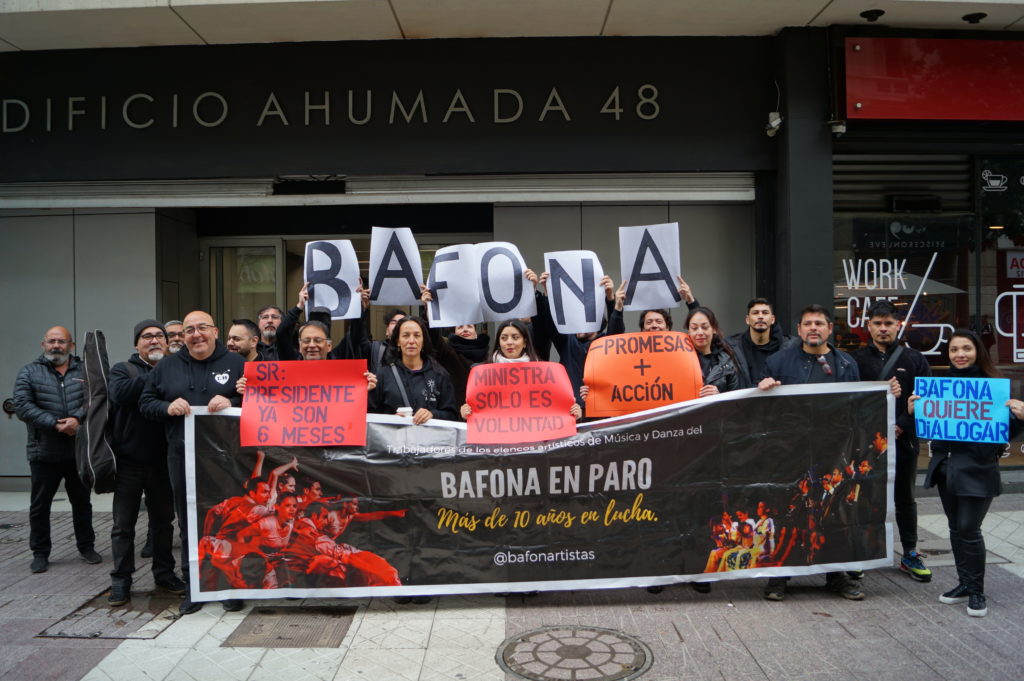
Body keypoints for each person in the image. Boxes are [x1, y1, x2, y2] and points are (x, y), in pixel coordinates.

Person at [758, 304, 899, 602]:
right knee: (788, 513)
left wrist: (884, 397)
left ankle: (837, 575)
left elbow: (858, 407)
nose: (813, 328)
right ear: (798, 330)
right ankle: (779, 577)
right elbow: (762, 411)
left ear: (829, 329)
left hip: (835, 454)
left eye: (819, 323)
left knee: (834, 514)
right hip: (791, 455)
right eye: (807, 323)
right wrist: (763, 388)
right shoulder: (778, 362)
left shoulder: (846, 364)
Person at [139, 310, 245, 615]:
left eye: (202, 328)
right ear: (181, 337)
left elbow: (263, 401)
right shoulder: (166, 367)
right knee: (189, 522)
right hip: (181, 456)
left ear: (214, 331)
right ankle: (195, 588)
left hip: (228, 460)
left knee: (227, 524)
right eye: (189, 330)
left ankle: (230, 587)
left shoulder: (238, 364)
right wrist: (166, 406)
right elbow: (146, 403)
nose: (196, 335)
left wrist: (234, 403)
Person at [911, 329, 1021, 618]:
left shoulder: (993, 387)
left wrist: (1019, 418)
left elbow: (1004, 434)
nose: (960, 354)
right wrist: (915, 412)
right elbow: (930, 430)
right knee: (955, 529)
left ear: (978, 352)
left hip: (979, 470)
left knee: (969, 530)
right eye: (954, 349)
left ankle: (976, 592)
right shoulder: (942, 386)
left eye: (966, 349)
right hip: (947, 469)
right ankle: (964, 584)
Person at [852, 300, 932, 583]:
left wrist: (901, 425)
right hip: (869, 445)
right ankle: (862, 553)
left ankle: (910, 552)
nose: (883, 328)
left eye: (888, 323)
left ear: (898, 325)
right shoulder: (856, 361)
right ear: (868, 326)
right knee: (866, 497)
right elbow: (851, 403)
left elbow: (927, 402)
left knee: (905, 499)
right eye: (877, 323)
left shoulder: (916, 360)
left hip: (905, 442)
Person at [106, 320, 185, 606]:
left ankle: (164, 573)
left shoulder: (176, 368)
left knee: (163, 524)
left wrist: (165, 368)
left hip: (164, 461)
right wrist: (155, 372)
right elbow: (120, 395)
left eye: (159, 336)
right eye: (147, 337)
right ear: (136, 344)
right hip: (129, 463)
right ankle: (121, 580)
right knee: (122, 526)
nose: (154, 341)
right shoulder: (122, 370)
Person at [13, 325, 99, 574]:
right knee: (40, 506)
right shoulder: (29, 372)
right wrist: (54, 424)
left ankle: (87, 547)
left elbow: (95, 398)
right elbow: (22, 406)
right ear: (43, 345)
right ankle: (40, 553)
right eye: (51, 341)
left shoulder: (84, 370)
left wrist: (77, 420)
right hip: (44, 451)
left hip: (77, 450)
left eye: (61, 342)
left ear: (70, 345)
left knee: (82, 503)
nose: (56, 346)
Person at [459, 319, 583, 422]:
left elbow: (554, 406)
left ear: (524, 342)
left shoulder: (543, 372)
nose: (509, 342)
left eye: (515, 337)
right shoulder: (481, 374)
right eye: (504, 338)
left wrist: (571, 412)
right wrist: (466, 413)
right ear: (499, 343)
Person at [370, 316, 458, 424]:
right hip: (394, 439)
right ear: (398, 341)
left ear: (423, 341)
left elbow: (452, 416)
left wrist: (433, 414)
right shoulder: (383, 375)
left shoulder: (439, 374)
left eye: (417, 336)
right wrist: (391, 420)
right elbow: (371, 416)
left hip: (431, 440)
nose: (411, 341)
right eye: (406, 335)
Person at [725, 298, 798, 388]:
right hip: (744, 401)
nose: (760, 316)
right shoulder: (731, 347)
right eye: (755, 313)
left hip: (779, 400)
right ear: (747, 320)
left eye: (765, 313)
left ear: (772, 319)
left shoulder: (790, 346)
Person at [685, 306, 741, 395]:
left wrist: (719, 397)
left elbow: (736, 401)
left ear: (714, 329)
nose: (700, 333)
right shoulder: (681, 360)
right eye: (694, 328)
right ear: (688, 331)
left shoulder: (727, 361)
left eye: (705, 327)